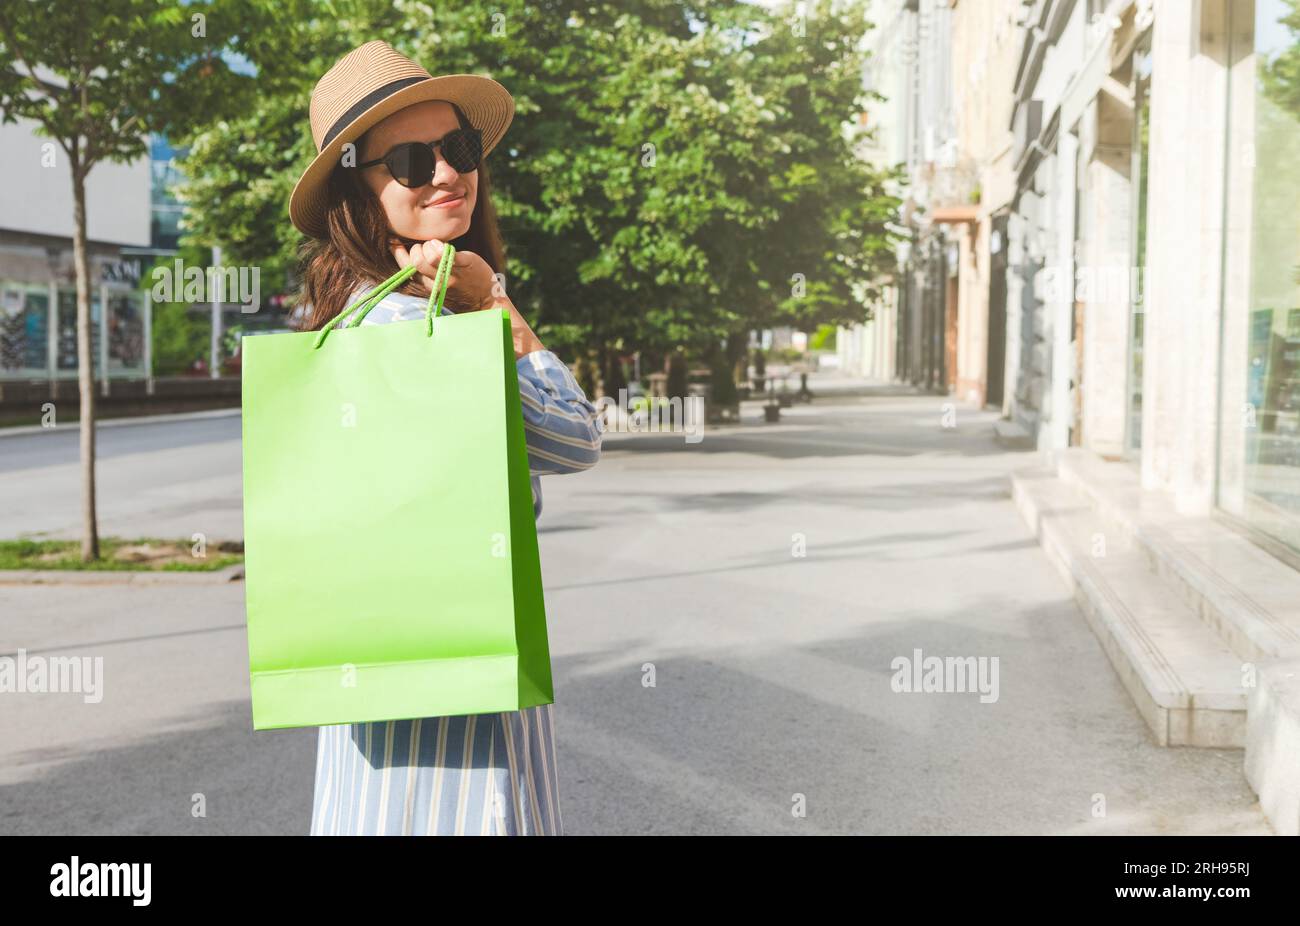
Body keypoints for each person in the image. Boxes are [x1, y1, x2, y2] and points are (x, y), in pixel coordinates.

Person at [288, 40, 603, 835]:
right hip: (445, 728)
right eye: (410, 158)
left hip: (379, 699)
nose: (445, 173)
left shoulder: (350, 317)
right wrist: (494, 300)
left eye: (458, 149)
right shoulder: (410, 328)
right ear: (357, 186)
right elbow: (574, 438)